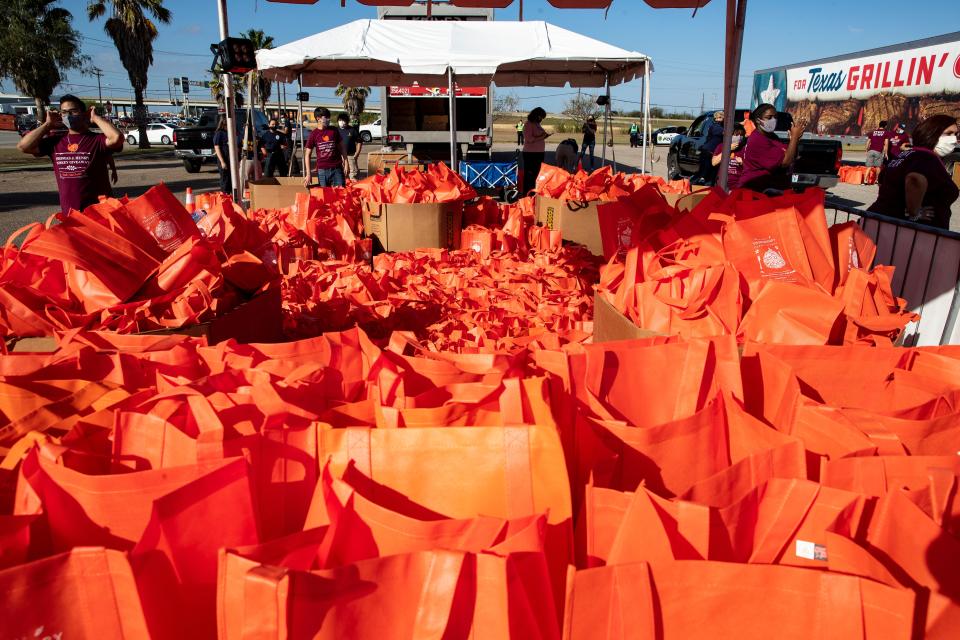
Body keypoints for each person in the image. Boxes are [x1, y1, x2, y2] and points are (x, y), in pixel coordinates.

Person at [17, 94, 123, 215]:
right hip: (71, 212)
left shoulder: (97, 140)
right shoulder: (55, 142)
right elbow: (23, 146)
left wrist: (95, 118)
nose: (68, 116)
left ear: (84, 114)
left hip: (101, 212)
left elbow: (117, 138)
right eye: (64, 112)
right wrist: (47, 125)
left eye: (73, 111)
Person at [868, 114, 958, 229]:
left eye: (956, 134)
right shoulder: (926, 157)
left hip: (883, 223)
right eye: (949, 133)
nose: (954, 139)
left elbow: (882, 178)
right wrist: (913, 213)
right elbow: (914, 179)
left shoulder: (906, 154)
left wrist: (896, 206)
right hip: (913, 234)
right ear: (932, 133)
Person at [740, 103, 806, 193]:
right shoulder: (757, 139)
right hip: (758, 192)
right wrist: (794, 137)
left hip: (774, 189)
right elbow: (785, 162)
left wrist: (795, 140)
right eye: (769, 117)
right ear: (758, 120)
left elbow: (790, 155)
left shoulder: (772, 137)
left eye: (775, 117)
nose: (773, 120)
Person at [304, 107, 347, 187]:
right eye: (326, 117)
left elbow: (342, 147)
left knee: (340, 194)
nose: (328, 119)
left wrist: (346, 162)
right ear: (318, 118)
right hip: (322, 171)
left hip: (337, 169)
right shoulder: (314, 134)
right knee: (325, 196)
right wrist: (308, 174)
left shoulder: (334, 130)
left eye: (328, 117)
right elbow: (307, 155)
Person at [522, 107, 551, 194]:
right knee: (529, 175)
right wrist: (542, 136)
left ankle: (535, 192)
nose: (541, 119)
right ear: (536, 115)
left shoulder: (537, 124)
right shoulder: (528, 124)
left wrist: (544, 136)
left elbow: (539, 136)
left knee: (537, 174)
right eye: (541, 117)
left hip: (539, 153)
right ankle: (527, 193)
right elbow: (529, 139)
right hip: (530, 154)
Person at [710, 123, 747, 190]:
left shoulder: (745, 149)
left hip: (737, 187)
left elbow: (750, 168)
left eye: (741, 135)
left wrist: (742, 163)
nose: (738, 137)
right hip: (721, 185)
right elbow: (714, 163)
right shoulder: (721, 146)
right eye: (736, 135)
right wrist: (728, 149)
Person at [693, 111, 725, 185]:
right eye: (719, 117)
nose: (721, 119)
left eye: (722, 117)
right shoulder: (715, 127)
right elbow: (725, 132)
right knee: (706, 173)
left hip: (711, 151)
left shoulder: (717, 126)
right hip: (708, 152)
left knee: (708, 173)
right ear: (715, 118)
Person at [337, 113, 363, 181]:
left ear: (347, 121)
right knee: (341, 174)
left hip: (351, 155)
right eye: (340, 120)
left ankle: (354, 188)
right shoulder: (335, 131)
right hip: (339, 156)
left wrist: (357, 153)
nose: (342, 122)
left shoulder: (352, 130)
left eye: (344, 120)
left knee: (353, 174)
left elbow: (359, 142)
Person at [212, 116, 232, 194]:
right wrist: (222, 162)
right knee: (225, 180)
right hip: (224, 160)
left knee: (230, 180)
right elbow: (217, 147)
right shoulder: (219, 133)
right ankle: (225, 195)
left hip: (231, 160)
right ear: (224, 123)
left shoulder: (230, 132)